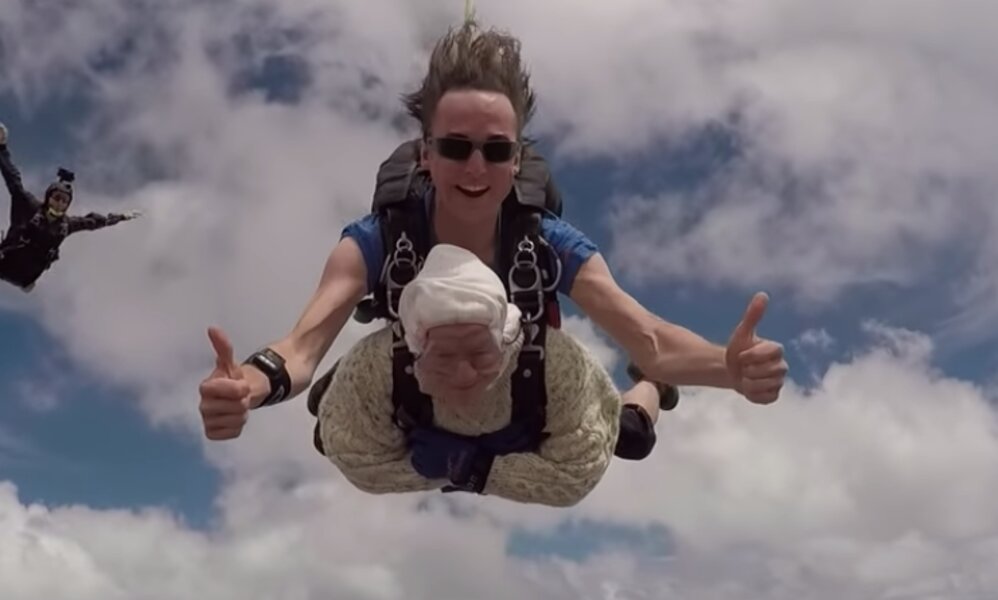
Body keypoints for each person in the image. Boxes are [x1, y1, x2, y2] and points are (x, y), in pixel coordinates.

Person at [197, 20, 787, 448]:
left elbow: (650, 338)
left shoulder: (547, 244)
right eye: (455, 148)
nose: (476, 169)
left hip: (516, 375)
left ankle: (650, 393)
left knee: (629, 436)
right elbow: (302, 346)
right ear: (425, 154)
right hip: (432, 376)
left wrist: (726, 370)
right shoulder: (378, 239)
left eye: (496, 150)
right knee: (336, 429)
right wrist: (248, 386)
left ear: (515, 159)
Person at [306, 244, 672, 505]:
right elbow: (362, 463)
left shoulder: (559, 363)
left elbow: (574, 476)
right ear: (416, 347)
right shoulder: (376, 365)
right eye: (445, 356)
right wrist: (450, 470)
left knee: (631, 438)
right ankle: (339, 387)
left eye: (479, 353)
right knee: (329, 435)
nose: (464, 374)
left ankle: (652, 381)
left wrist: (478, 470)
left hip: (533, 415)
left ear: (506, 341)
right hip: (388, 385)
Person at [0, 122, 141, 292]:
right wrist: (2, 149)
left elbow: (94, 222)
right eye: (57, 198)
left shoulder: (66, 225)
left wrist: (121, 217)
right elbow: (14, 181)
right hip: (4, 263)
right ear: (48, 197)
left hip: (25, 278)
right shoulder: (30, 207)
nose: (60, 203)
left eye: (64, 201)